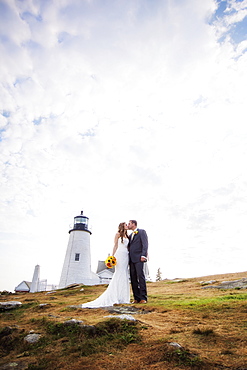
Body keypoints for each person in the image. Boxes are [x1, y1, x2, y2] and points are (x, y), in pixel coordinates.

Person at [81, 222, 130, 308]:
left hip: (126, 255)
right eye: (126, 224)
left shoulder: (128, 236)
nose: (127, 226)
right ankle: (115, 295)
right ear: (122, 226)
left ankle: (123, 297)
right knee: (119, 272)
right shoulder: (118, 234)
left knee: (124, 273)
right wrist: (112, 257)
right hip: (120, 254)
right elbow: (115, 245)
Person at [128, 220, 148, 304]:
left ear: (133, 224)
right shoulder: (129, 235)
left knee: (141, 277)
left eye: (129, 223)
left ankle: (143, 298)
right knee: (133, 278)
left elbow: (145, 244)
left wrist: (144, 255)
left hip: (139, 258)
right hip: (131, 259)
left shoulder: (141, 232)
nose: (128, 225)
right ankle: (136, 298)